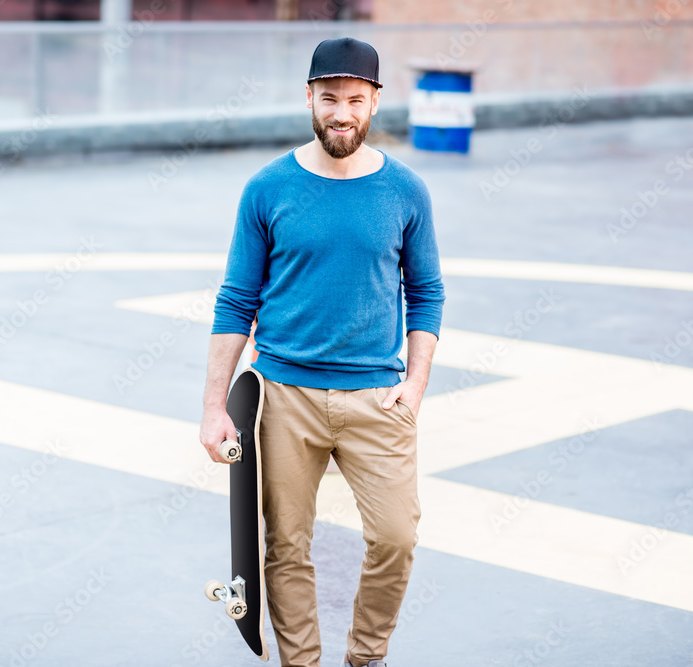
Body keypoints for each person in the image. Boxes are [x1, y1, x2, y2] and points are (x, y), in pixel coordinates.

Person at [199, 37, 445, 667]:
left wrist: (414, 387)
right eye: (330, 97)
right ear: (309, 98)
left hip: (377, 396)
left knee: (395, 537)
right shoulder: (267, 188)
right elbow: (235, 301)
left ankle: (367, 658)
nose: (342, 112)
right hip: (284, 395)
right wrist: (213, 407)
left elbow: (427, 293)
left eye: (355, 99)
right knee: (284, 546)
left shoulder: (406, 191)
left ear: (374, 103)